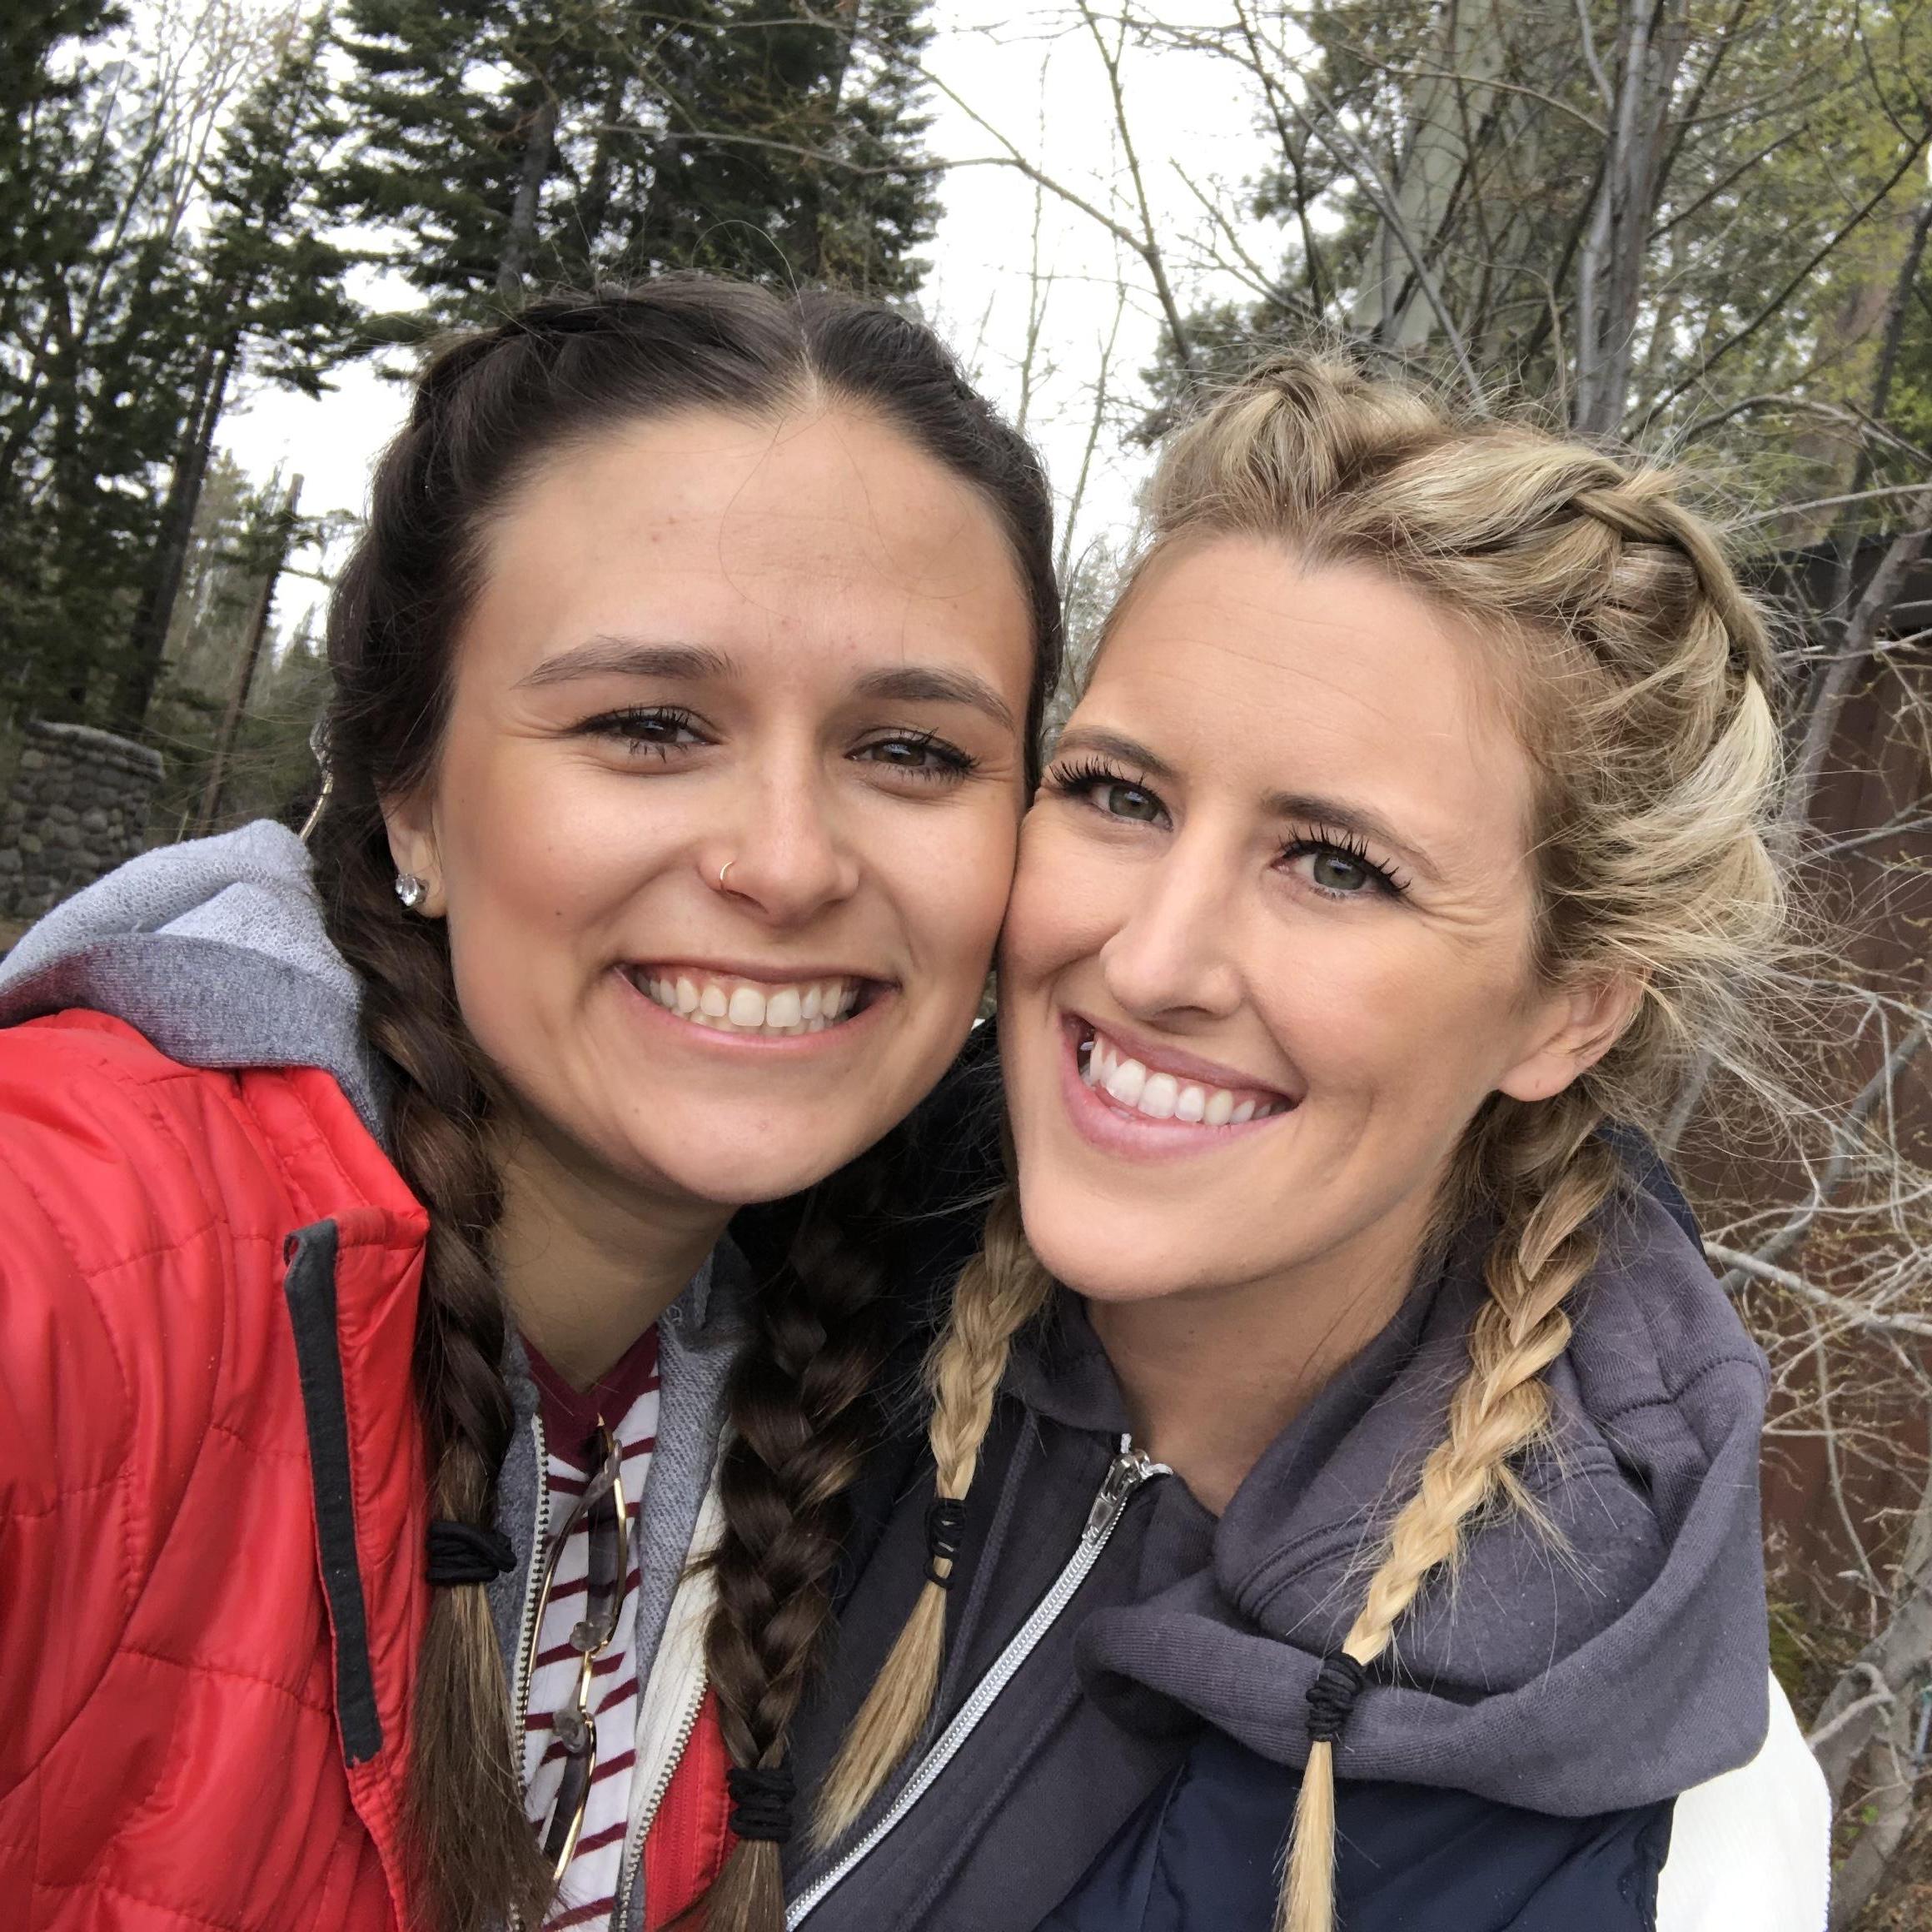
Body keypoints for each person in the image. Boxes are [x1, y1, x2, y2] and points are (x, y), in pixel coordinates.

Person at [0, 278, 1061, 1932]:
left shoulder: (857, 1381)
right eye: (648, 724)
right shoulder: (81, 1265)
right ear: (409, 793)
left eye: (912, 751)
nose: (787, 862)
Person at [776, 353, 1829, 1931]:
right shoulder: (789, 1264)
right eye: (1119, 795)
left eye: (1339, 867)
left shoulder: (1661, 1822)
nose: (1151, 960)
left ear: (1569, 1013)